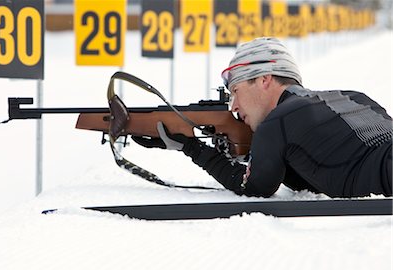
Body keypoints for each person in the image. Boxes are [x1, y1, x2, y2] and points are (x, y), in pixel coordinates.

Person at [132, 37, 392, 198]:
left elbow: (255, 189)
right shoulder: (354, 97)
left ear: (264, 80)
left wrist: (192, 147)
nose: (233, 106)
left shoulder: (277, 122)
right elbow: (315, 178)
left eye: (235, 91)